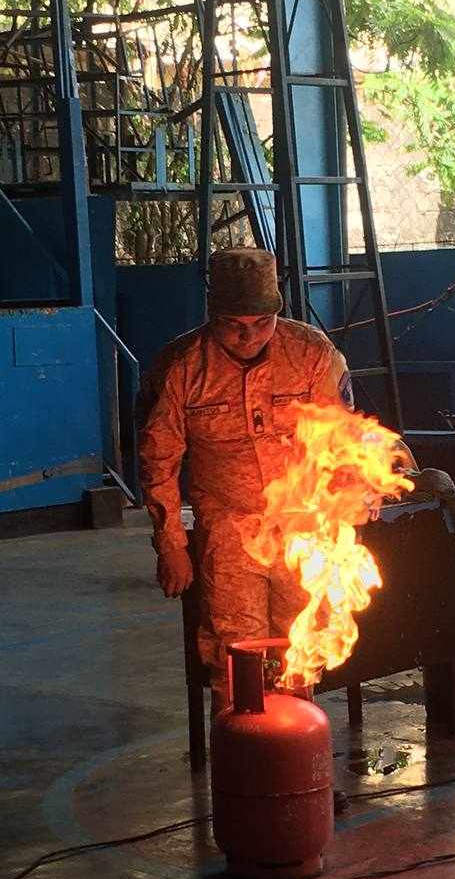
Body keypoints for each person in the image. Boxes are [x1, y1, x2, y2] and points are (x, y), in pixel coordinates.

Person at [138, 248, 356, 718]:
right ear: (213, 316)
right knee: (236, 651)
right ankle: (243, 759)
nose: (249, 336)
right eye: (234, 325)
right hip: (229, 531)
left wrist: (347, 510)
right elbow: (158, 462)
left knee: (302, 647)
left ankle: (296, 754)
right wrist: (171, 544)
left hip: (302, 527)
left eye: (262, 323)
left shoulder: (312, 355)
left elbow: (342, 439)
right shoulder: (180, 368)